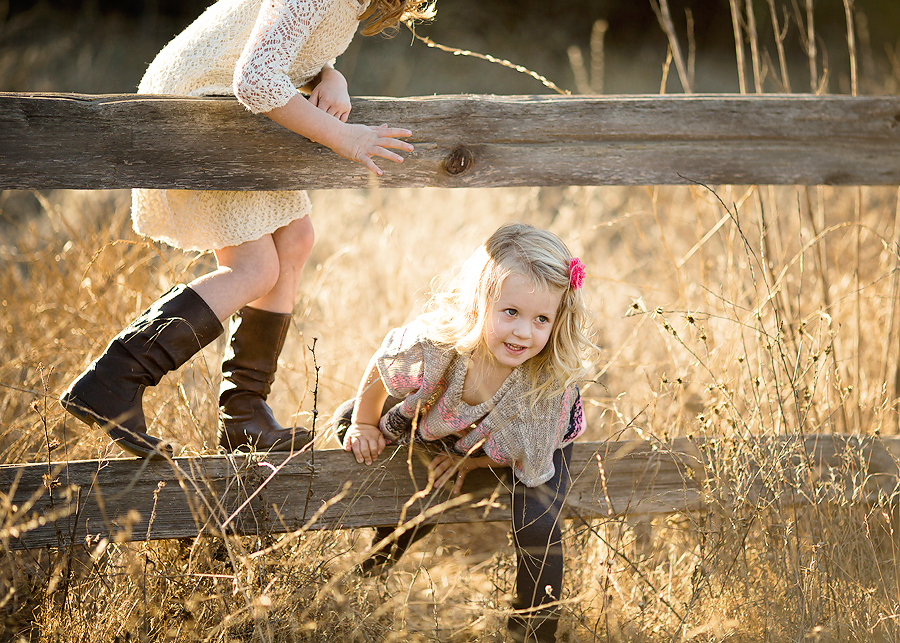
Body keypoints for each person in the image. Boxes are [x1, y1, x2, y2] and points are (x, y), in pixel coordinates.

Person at [60, 0, 435, 458]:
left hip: (232, 112)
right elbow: (256, 78)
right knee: (254, 270)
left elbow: (282, 37)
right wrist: (346, 137)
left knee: (295, 238)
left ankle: (244, 416)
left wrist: (329, 75)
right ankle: (114, 379)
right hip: (199, 110)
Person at [334, 222, 597, 642]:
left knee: (538, 522)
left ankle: (533, 630)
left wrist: (471, 460)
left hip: (537, 446)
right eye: (510, 312)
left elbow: (526, 452)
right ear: (479, 302)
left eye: (541, 318)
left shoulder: (545, 388)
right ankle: (368, 574)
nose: (523, 332)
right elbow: (381, 368)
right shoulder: (437, 345)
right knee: (367, 439)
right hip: (453, 427)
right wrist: (365, 424)